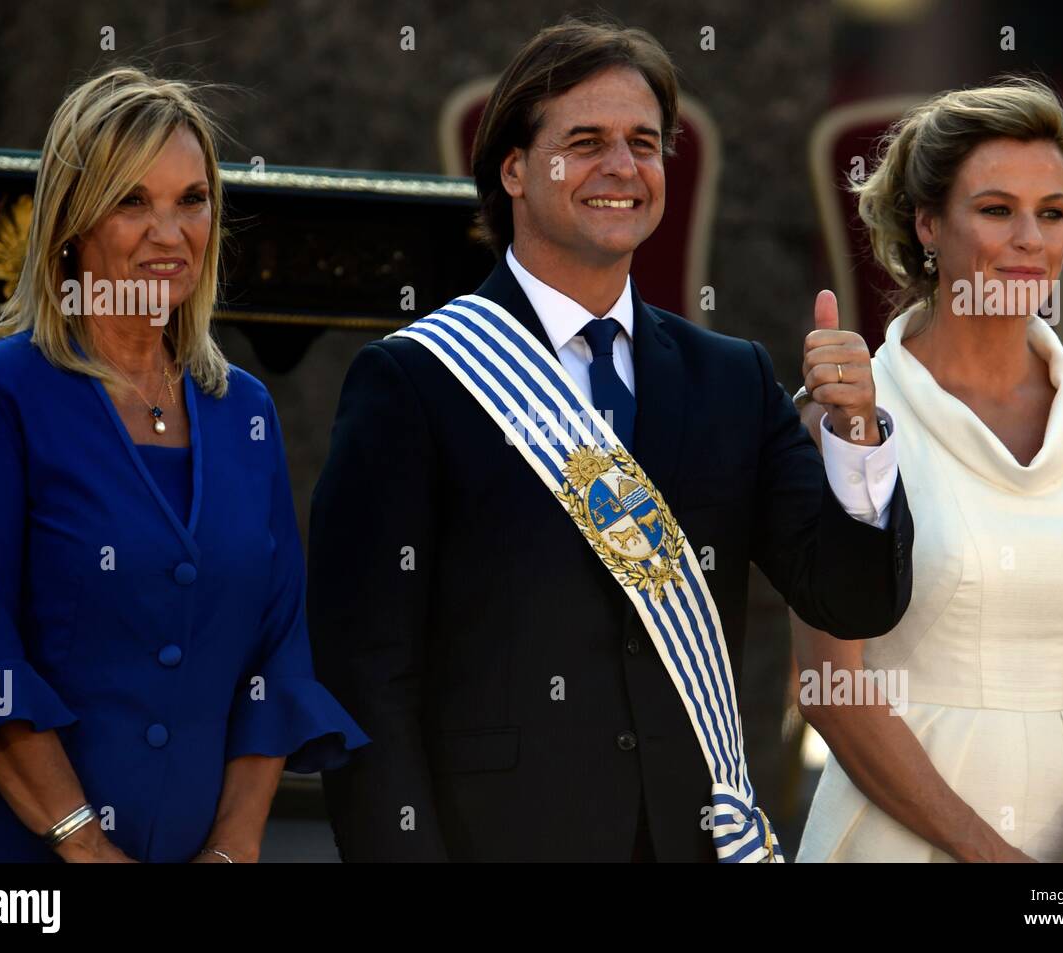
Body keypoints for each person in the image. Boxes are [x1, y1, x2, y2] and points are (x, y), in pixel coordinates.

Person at [308, 17, 912, 862]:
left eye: (643, 143)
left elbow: (853, 600)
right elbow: (365, 676)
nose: (622, 168)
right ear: (514, 167)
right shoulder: (413, 382)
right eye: (584, 141)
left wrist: (857, 436)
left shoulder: (729, 379)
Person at [0, 67, 367, 863]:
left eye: (192, 200)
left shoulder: (245, 410)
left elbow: (279, 657)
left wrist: (231, 850)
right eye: (132, 201)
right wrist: (89, 851)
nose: (170, 232)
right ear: (71, 225)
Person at [794, 78, 1063, 862]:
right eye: (997, 210)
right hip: (895, 840)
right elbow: (829, 688)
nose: (1031, 238)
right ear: (928, 224)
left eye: (1051, 213)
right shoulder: (849, 413)